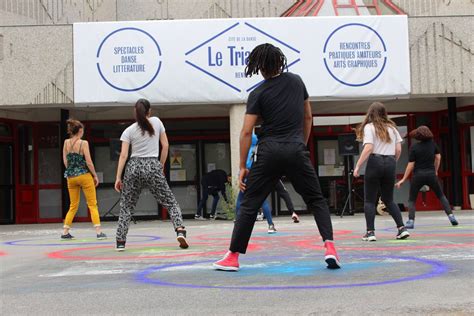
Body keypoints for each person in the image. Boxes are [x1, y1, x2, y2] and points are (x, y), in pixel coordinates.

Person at [213, 43, 341, 271]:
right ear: (280, 62)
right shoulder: (297, 81)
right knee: (316, 200)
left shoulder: (257, 93)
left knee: (250, 204)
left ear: (259, 68)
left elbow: (245, 132)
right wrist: (300, 144)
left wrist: (242, 165)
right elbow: (308, 117)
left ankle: (233, 257)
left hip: (269, 151)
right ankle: (330, 248)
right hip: (295, 148)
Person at [114, 99, 188, 251]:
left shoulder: (128, 130)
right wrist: (160, 165)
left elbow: (123, 155)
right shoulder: (157, 122)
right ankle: (180, 230)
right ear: (149, 111)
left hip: (133, 167)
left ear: (135, 112)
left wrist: (118, 177)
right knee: (170, 202)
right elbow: (166, 146)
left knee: (127, 206)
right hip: (152, 164)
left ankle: (120, 241)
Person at [354, 102, 410, 242]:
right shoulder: (392, 128)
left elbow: (368, 148)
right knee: (388, 199)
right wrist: (393, 161)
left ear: (371, 113)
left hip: (375, 162)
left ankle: (370, 232)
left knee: (369, 200)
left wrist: (358, 166)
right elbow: (398, 150)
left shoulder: (369, 127)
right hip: (390, 162)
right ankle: (401, 229)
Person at [395, 125, 459, 228]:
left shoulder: (414, 147)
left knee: (412, 199)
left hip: (418, 175)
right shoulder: (433, 145)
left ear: (418, 136)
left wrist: (403, 179)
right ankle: (451, 216)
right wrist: (436, 170)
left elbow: (411, 165)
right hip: (431, 174)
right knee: (441, 196)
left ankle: (411, 221)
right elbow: (438, 157)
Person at [61, 119, 106, 240]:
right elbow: (89, 162)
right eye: (82, 131)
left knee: (73, 205)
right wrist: (95, 175)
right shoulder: (83, 143)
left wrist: (71, 170)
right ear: (80, 131)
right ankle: (98, 232)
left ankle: (65, 232)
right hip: (84, 176)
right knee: (92, 204)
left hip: (71, 177)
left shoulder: (66, 142)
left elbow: (65, 160)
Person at [235, 132, 277, 233]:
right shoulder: (259, 150)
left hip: (246, 179)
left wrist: (240, 177)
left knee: (240, 201)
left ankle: (238, 222)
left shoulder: (247, 151)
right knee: (263, 201)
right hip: (258, 179)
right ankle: (270, 224)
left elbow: (244, 167)